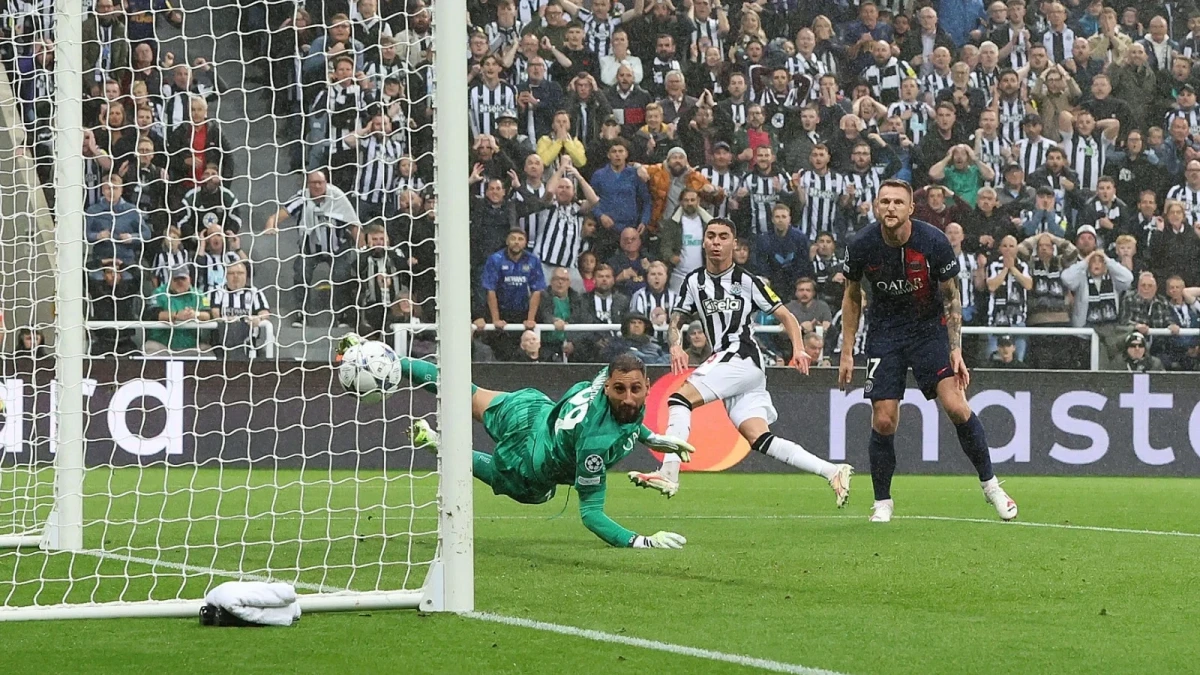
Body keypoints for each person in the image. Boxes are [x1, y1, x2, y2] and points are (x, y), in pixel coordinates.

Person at [627, 217, 853, 502]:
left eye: (723, 237)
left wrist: (798, 348)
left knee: (678, 400)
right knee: (759, 438)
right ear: (704, 241)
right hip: (737, 365)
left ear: (734, 244)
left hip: (740, 355)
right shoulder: (694, 281)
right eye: (711, 236)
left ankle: (669, 473)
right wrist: (676, 345)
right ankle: (832, 470)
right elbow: (677, 319)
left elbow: (786, 315)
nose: (716, 242)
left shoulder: (747, 281)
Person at [384, 344, 696, 549]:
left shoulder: (605, 379)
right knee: (538, 493)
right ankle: (437, 443)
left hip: (531, 411)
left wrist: (652, 437)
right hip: (529, 465)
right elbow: (590, 514)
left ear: (647, 387)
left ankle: (389, 362)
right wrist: (641, 541)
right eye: (621, 389)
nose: (628, 397)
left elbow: (624, 419)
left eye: (635, 389)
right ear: (608, 387)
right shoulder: (594, 448)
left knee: (466, 392)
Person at [839, 179, 1018, 523]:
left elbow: (951, 296)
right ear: (876, 206)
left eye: (897, 202)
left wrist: (956, 349)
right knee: (885, 419)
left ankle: (991, 486)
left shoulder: (933, 241)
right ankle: (882, 502)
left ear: (910, 209)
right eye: (884, 201)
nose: (889, 207)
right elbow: (851, 295)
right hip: (885, 333)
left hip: (928, 331)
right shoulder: (862, 244)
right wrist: (848, 351)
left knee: (956, 406)